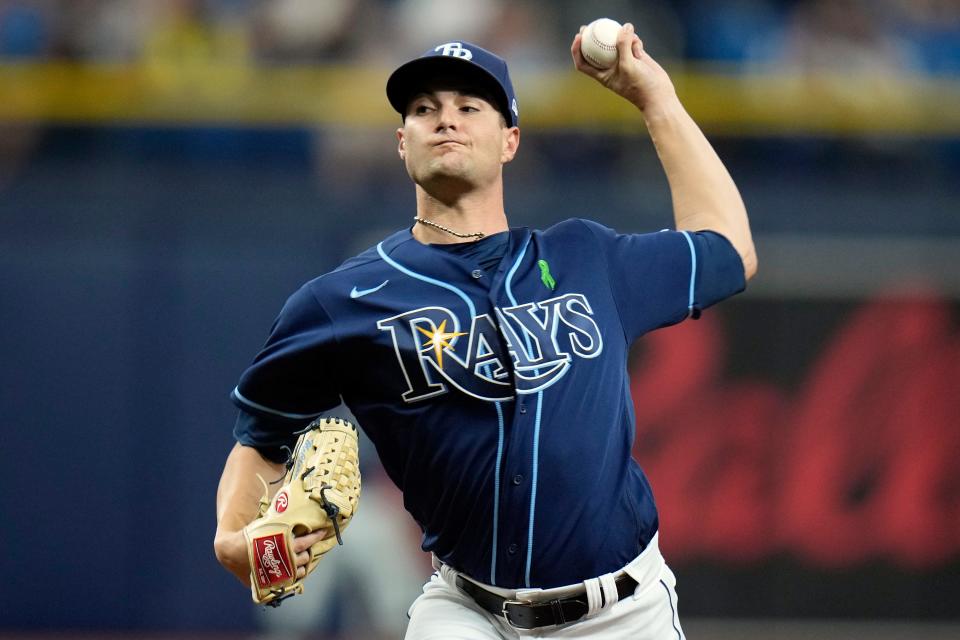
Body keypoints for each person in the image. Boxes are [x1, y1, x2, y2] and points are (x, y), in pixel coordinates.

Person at [214, 22, 757, 639]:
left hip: (624, 613)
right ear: (401, 143)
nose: (446, 120)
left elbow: (729, 251)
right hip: (467, 612)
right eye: (425, 109)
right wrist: (232, 538)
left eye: (469, 107)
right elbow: (261, 433)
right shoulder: (343, 301)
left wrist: (655, 99)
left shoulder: (587, 257)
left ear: (510, 141)